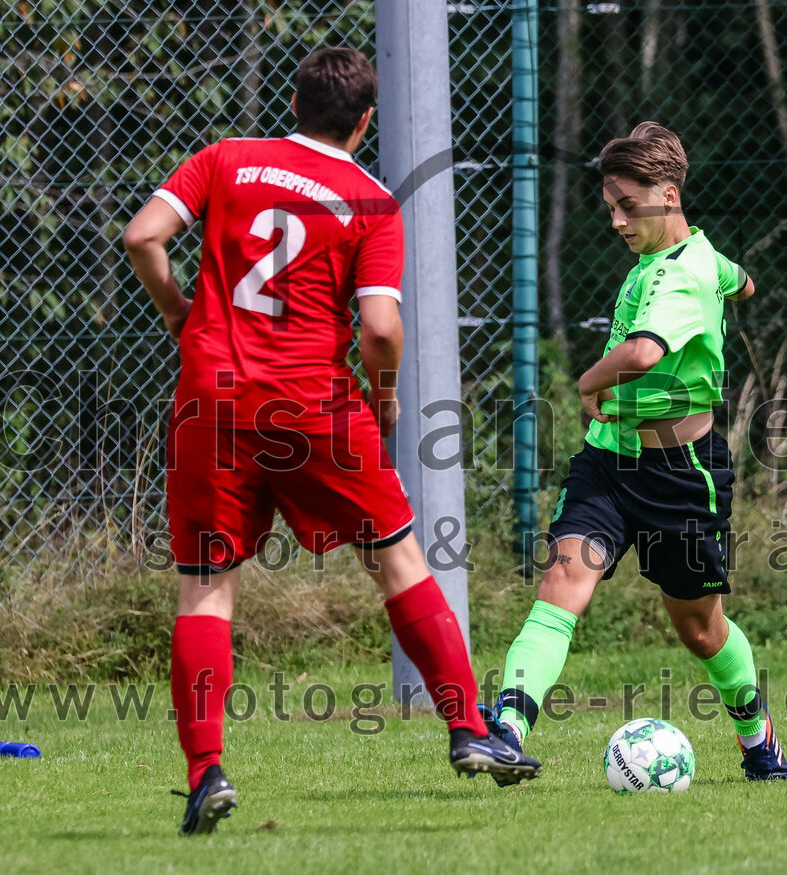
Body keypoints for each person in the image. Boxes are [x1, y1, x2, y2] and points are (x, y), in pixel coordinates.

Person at [123, 46, 540, 836]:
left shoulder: (225, 159)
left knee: (206, 586)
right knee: (398, 557)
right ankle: (467, 728)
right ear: (365, 122)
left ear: (294, 103)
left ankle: (205, 771)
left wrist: (183, 315)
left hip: (212, 398)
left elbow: (143, 236)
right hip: (316, 403)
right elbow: (380, 328)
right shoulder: (371, 200)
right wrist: (381, 395)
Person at [479, 122, 787, 784]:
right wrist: (733, 290)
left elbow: (644, 352)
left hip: (683, 475)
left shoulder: (676, 276)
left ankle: (757, 735)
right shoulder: (698, 256)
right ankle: (507, 728)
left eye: (628, 205)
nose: (617, 220)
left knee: (701, 630)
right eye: (610, 207)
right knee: (562, 584)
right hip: (609, 462)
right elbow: (744, 282)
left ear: (668, 194)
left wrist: (588, 380)